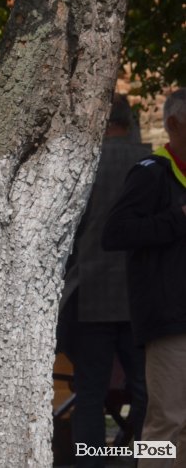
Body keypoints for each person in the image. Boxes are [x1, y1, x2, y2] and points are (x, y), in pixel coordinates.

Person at [59, 95, 148, 464]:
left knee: (90, 393)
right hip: (140, 295)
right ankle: (143, 456)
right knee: (146, 390)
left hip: (91, 292)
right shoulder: (150, 162)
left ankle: (92, 460)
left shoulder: (85, 163)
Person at [103, 88, 186, 468]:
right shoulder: (151, 172)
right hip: (170, 322)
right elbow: (114, 233)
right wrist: (176, 219)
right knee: (165, 422)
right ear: (174, 125)